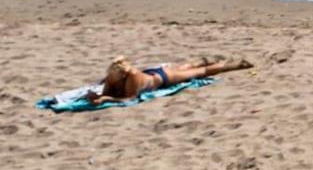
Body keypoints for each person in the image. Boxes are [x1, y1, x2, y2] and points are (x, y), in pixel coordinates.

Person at [85, 54, 254, 105]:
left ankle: (234, 65)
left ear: (123, 75)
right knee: (183, 69)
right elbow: (106, 92)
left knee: (200, 72)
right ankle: (197, 61)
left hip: (162, 78)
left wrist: (106, 99)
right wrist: (96, 96)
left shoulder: (133, 76)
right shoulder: (112, 76)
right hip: (152, 73)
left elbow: (130, 98)